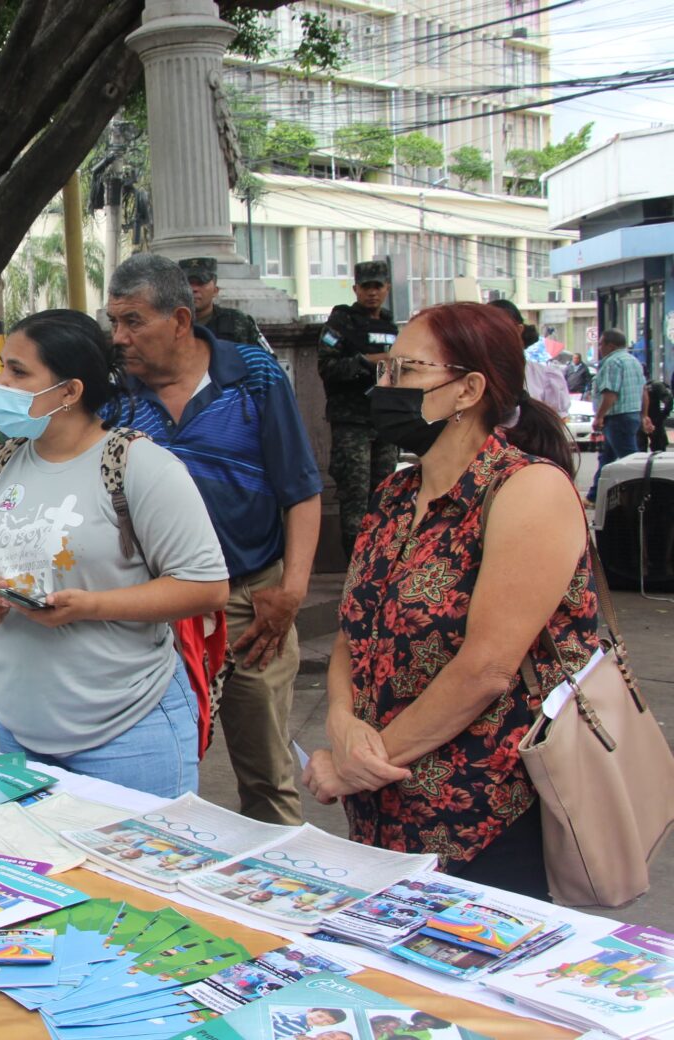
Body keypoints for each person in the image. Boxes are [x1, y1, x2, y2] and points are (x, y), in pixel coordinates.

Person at [302, 301, 593, 901]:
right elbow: (351, 635)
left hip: (485, 811)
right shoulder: (393, 494)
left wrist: (360, 761)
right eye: (385, 371)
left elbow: (487, 668)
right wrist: (339, 721)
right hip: (382, 803)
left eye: (405, 372)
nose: (387, 387)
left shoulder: (527, 489)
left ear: (468, 390)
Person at [0, 309, 229, 797]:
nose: (0, 384)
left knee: (135, 871)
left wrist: (91, 606)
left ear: (69, 391)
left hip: (129, 731)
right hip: (19, 728)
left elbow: (206, 587)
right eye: (2, 368)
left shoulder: (139, 464)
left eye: (18, 371)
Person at [107, 254, 323, 825]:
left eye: (132, 322)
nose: (119, 338)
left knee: (267, 775)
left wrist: (291, 592)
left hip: (252, 601)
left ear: (180, 320)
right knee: (161, 769)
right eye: (113, 323)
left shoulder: (253, 375)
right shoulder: (112, 397)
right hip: (155, 608)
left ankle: (280, 898)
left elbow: (300, 490)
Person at [318, 259, 401, 562]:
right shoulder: (340, 324)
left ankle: (380, 564)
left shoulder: (392, 327)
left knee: (385, 498)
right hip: (352, 423)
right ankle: (356, 569)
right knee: (355, 502)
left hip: (385, 422)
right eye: (366, 287)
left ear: (387, 288)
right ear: (355, 289)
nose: (372, 293)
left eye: (378, 286)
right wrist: (368, 361)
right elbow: (326, 367)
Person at [589, 328, 647, 504]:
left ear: (610, 345)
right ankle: (594, 495)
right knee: (606, 458)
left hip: (617, 417)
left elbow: (610, 394)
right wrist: (644, 415)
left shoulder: (612, 362)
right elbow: (644, 391)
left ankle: (644, 494)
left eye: (600, 344)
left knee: (630, 459)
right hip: (631, 415)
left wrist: (599, 416)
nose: (599, 347)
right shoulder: (633, 361)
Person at [488, 299, 570, 415]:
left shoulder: (545, 377)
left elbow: (555, 424)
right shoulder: (467, 377)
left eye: (498, 328)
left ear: (519, 330)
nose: (491, 337)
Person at [178, 256, 269, 352]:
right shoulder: (170, 323)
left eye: (200, 283)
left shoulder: (238, 322)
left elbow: (264, 360)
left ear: (215, 291)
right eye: (188, 283)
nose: (194, 289)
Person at [641, 379, 671, 452]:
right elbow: (669, 401)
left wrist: (662, 416)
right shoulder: (655, 385)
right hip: (650, 418)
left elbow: (669, 401)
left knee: (658, 449)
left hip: (652, 419)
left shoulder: (655, 385)